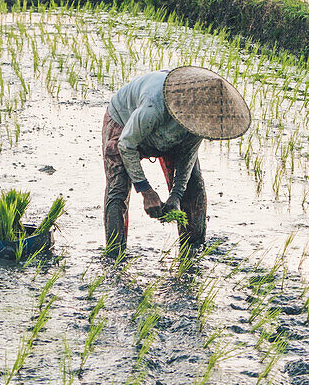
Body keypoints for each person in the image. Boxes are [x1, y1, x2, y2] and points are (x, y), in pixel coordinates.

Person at [102, 65, 251, 255]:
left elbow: (187, 156)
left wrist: (176, 196)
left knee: (193, 186)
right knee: (118, 190)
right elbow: (126, 145)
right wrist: (146, 190)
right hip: (125, 125)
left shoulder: (202, 120)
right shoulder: (154, 104)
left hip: (168, 137)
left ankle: (194, 250)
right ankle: (115, 257)